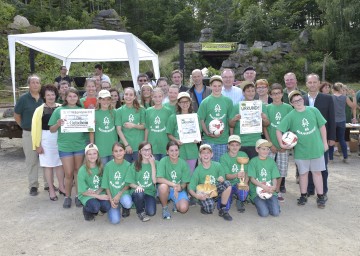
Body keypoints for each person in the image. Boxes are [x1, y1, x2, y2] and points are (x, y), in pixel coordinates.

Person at [277, 90, 328, 209]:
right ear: (291, 103)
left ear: (303, 99)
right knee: (303, 174)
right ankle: (303, 195)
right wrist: (282, 143)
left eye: (299, 99)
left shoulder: (313, 110)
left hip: (316, 148)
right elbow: (279, 130)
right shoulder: (291, 116)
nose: (298, 102)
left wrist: (324, 142)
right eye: (294, 101)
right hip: (301, 150)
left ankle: (320, 196)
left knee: (317, 173)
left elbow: (322, 126)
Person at [49, 88, 87, 208]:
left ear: (78, 98)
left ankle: (78, 196)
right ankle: (67, 196)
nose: (72, 98)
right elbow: (51, 129)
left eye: (74, 96)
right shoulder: (59, 110)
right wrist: (58, 124)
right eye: (69, 96)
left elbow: (88, 129)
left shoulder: (83, 111)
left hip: (80, 145)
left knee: (78, 171)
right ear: (65, 98)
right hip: (65, 146)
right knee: (69, 173)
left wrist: (92, 124)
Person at [303, 73, 335, 199]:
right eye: (309, 82)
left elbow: (332, 119)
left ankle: (324, 190)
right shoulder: (302, 99)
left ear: (319, 83)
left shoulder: (327, 98)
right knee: (308, 166)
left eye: (314, 82)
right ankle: (310, 189)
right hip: (306, 138)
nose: (312, 84)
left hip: (322, 138)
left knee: (322, 166)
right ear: (306, 84)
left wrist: (332, 137)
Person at [31, 84, 65, 200]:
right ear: (44, 96)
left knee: (60, 164)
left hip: (61, 139)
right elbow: (35, 129)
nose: (51, 97)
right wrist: (37, 144)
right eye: (48, 95)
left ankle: (61, 186)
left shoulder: (61, 107)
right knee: (49, 166)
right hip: (46, 140)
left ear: (56, 95)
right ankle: (51, 189)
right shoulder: (39, 110)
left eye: (53, 94)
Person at [14, 74, 44, 196]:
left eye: (37, 82)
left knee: (46, 159)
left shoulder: (44, 97)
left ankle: (49, 184)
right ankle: (33, 186)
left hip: (44, 133)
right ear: (29, 85)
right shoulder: (23, 99)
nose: (35, 85)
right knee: (31, 160)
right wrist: (24, 126)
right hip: (29, 133)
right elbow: (16, 115)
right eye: (33, 82)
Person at [263, 83, 293, 202]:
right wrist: (270, 143)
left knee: (281, 169)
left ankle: (277, 190)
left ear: (282, 94)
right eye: (274, 94)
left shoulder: (288, 108)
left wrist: (285, 144)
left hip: (283, 146)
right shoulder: (267, 108)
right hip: (271, 144)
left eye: (279, 93)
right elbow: (265, 127)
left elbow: (291, 127)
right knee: (269, 168)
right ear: (270, 95)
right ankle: (268, 188)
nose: (276, 96)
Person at [188, 144, 233, 221]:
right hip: (205, 192)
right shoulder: (198, 170)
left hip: (215, 189)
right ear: (200, 155)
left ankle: (223, 208)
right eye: (203, 153)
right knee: (209, 209)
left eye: (208, 152)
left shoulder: (217, 165)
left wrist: (222, 179)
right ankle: (204, 204)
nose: (206, 155)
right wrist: (197, 196)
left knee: (227, 184)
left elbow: (223, 180)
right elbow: (190, 187)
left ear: (212, 154)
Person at [229, 81, 270, 159]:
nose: (251, 93)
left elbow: (267, 124)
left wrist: (264, 119)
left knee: (254, 168)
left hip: (256, 142)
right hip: (240, 143)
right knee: (241, 168)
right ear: (243, 93)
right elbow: (230, 124)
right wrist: (234, 119)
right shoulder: (237, 106)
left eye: (252, 91)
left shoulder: (261, 106)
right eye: (248, 91)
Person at [198, 75, 233, 162]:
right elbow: (201, 119)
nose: (217, 88)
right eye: (214, 86)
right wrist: (207, 132)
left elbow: (230, 120)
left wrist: (231, 138)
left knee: (221, 167)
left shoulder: (228, 101)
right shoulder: (205, 102)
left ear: (222, 86)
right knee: (207, 166)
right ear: (210, 86)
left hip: (223, 141)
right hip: (208, 140)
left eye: (219, 86)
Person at [166, 92, 199, 173]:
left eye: (187, 101)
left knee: (190, 173)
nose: (184, 104)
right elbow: (169, 134)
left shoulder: (195, 117)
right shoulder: (173, 117)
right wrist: (175, 140)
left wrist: (197, 139)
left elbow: (198, 134)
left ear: (190, 102)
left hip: (192, 150)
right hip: (179, 151)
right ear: (178, 104)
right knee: (179, 174)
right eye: (182, 102)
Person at [157, 141, 191, 219]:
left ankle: (176, 203)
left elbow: (185, 182)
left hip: (178, 190)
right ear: (167, 152)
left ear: (179, 151)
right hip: (167, 189)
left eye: (176, 150)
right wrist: (173, 185)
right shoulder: (163, 161)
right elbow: (158, 179)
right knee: (163, 187)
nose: (174, 153)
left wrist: (181, 187)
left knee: (183, 209)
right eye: (171, 150)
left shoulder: (183, 163)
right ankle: (165, 208)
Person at [125, 142, 157, 222]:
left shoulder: (155, 163)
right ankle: (140, 212)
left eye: (149, 149)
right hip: (137, 191)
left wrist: (152, 164)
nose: (147, 152)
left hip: (149, 192)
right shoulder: (135, 164)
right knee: (140, 193)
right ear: (139, 152)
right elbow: (130, 182)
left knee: (151, 212)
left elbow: (154, 181)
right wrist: (137, 186)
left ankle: (140, 204)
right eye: (144, 150)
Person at [78, 143, 111, 221]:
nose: (92, 156)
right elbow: (83, 192)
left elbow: (103, 184)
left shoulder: (101, 167)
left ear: (98, 154)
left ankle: (98, 208)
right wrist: (98, 196)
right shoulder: (82, 170)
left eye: (94, 153)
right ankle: (87, 210)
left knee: (107, 206)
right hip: (86, 194)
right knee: (95, 207)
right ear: (86, 156)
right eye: (89, 154)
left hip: (99, 191)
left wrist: (98, 193)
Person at [248, 139, 280, 217]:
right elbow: (252, 179)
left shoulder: (271, 161)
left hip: (270, 190)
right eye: (263, 149)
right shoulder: (253, 161)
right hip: (257, 190)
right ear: (257, 149)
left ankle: (268, 202)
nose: (266, 151)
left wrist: (274, 187)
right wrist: (263, 186)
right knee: (264, 213)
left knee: (275, 213)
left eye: (267, 149)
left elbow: (274, 178)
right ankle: (257, 201)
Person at [102, 142, 132, 224]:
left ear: (124, 151)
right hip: (111, 195)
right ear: (112, 153)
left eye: (120, 150)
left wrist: (119, 195)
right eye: (116, 151)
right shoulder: (108, 166)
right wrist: (111, 199)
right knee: (115, 221)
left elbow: (128, 184)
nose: (118, 153)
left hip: (122, 193)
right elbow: (106, 185)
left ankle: (124, 207)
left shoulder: (128, 165)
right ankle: (114, 206)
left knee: (128, 203)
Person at [220, 135, 249, 213]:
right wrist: (236, 175)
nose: (234, 147)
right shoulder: (224, 157)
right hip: (228, 185)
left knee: (243, 193)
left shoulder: (243, 155)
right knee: (225, 208)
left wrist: (245, 183)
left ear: (240, 146)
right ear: (228, 146)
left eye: (237, 145)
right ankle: (229, 196)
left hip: (239, 183)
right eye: (232, 145)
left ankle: (240, 200)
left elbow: (246, 172)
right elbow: (227, 176)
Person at [328, 82, 357, 162]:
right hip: (342, 121)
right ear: (340, 89)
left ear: (333, 89)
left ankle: (330, 158)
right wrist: (354, 96)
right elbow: (353, 106)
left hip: (332, 121)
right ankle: (345, 157)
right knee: (342, 139)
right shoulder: (345, 97)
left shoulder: (330, 97)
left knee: (331, 139)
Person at [116, 87, 146, 163]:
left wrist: (134, 125)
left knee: (138, 169)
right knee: (126, 170)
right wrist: (126, 145)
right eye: (126, 94)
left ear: (134, 97)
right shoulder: (119, 111)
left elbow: (144, 126)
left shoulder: (141, 109)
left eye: (131, 95)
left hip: (138, 146)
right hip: (125, 146)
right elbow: (118, 130)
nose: (128, 97)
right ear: (123, 96)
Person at [90, 90, 118, 165]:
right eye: (103, 99)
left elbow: (118, 128)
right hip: (101, 146)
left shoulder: (115, 112)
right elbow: (91, 131)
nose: (106, 101)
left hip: (113, 146)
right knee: (103, 169)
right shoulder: (93, 113)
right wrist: (92, 144)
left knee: (112, 169)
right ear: (99, 100)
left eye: (108, 99)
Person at [145, 88, 171, 161]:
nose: (157, 99)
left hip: (164, 143)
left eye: (159, 96)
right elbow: (147, 127)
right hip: (152, 143)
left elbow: (170, 129)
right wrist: (145, 142)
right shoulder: (148, 111)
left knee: (164, 166)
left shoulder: (168, 111)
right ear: (152, 97)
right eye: (155, 97)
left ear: (163, 97)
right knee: (154, 166)